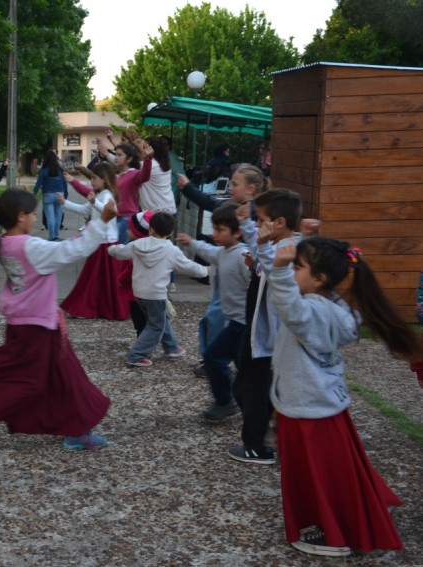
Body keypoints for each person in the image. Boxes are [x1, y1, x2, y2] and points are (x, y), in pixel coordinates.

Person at [267, 238, 419, 557]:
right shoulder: (337, 307)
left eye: (298, 268)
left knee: (319, 477)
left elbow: (289, 307)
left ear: (319, 279)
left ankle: (337, 535)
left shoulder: (311, 312)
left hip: (306, 407)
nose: (292, 272)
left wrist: (278, 270)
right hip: (326, 404)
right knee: (333, 473)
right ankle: (345, 518)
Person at [0, 188, 116, 453]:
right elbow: (75, 249)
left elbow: (30, 283)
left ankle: (77, 429)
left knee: (66, 375)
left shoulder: (4, 242)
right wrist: (102, 220)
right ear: (21, 216)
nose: (36, 219)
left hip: (26, 322)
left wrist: (52, 310)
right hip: (37, 328)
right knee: (31, 382)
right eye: (33, 214)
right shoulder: (31, 247)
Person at [229, 188, 302, 465]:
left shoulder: (287, 250)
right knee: (250, 384)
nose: (257, 226)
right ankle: (271, 433)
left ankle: (256, 446)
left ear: (279, 223)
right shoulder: (276, 246)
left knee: (254, 390)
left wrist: (261, 251)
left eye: (261, 220)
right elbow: (268, 269)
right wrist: (255, 263)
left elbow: (277, 270)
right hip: (260, 331)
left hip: (269, 337)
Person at [177, 165, 269, 378]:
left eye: (235, 184)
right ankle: (221, 359)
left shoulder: (252, 213)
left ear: (251, 189)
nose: (229, 187)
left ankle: (215, 359)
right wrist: (188, 188)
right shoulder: (234, 207)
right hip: (228, 276)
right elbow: (211, 204)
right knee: (220, 319)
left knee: (219, 319)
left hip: (239, 279)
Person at [176, 204, 251, 421]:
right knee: (245, 367)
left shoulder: (242, 255)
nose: (215, 234)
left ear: (237, 232)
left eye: (220, 230)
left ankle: (225, 402)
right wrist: (192, 242)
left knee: (213, 356)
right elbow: (209, 251)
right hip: (236, 321)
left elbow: (256, 283)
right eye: (214, 229)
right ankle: (254, 402)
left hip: (243, 323)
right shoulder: (224, 252)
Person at [108, 212, 207, 367]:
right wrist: (206, 271)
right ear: (171, 232)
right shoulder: (171, 251)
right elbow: (189, 267)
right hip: (156, 294)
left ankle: (172, 347)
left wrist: (111, 249)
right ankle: (136, 355)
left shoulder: (137, 245)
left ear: (151, 229)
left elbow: (120, 252)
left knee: (159, 320)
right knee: (156, 325)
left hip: (139, 293)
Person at [58, 162, 129, 320]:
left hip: (106, 243)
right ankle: (90, 307)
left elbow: (110, 211)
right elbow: (85, 210)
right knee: (95, 278)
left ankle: (87, 308)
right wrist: (64, 203)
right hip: (99, 242)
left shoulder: (107, 196)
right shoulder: (99, 195)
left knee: (95, 279)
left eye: (95, 178)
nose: (92, 181)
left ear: (104, 179)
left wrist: (94, 203)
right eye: (91, 178)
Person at [33, 150, 68, 242]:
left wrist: (34, 194)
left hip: (48, 195)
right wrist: (66, 193)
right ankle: (57, 235)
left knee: (50, 217)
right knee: (58, 216)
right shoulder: (60, 170)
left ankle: (52, 236)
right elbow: (64, 183)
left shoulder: (44, 171)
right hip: (60, 194)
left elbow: (38, 184)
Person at [139, 137, 177, 214]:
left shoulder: (148, 165)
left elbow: (126, 166)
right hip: (169, 206)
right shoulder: (163, 163)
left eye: (144, 148)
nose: (141, 150)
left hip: (156, 211)